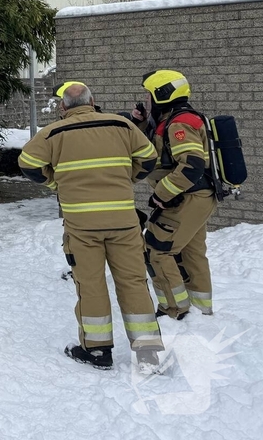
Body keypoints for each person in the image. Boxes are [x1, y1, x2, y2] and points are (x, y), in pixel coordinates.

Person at [19, 82, 164, 371]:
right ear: (93, 101)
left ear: (63, 107)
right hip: (123, 222)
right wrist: (127, 177)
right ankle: (148, 354)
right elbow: (149, 158)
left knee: (91, 285)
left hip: (82, 226)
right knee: (134, 283)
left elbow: (28, 164)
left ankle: (97, 352)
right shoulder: (121, 125)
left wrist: (56, 182)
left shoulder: (53, 133)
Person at [132, 70, 216, 320]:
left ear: (162, 94)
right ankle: (201, 309)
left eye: (149, 95)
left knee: (157, 250)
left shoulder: (180, 123)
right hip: (197, 197)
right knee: (191, 251)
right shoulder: (173, 118)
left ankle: (175, 309)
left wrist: (161, 194)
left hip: (186, 198)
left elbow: (191, 164)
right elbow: (158, 145)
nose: (145, 100)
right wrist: (142, 121)